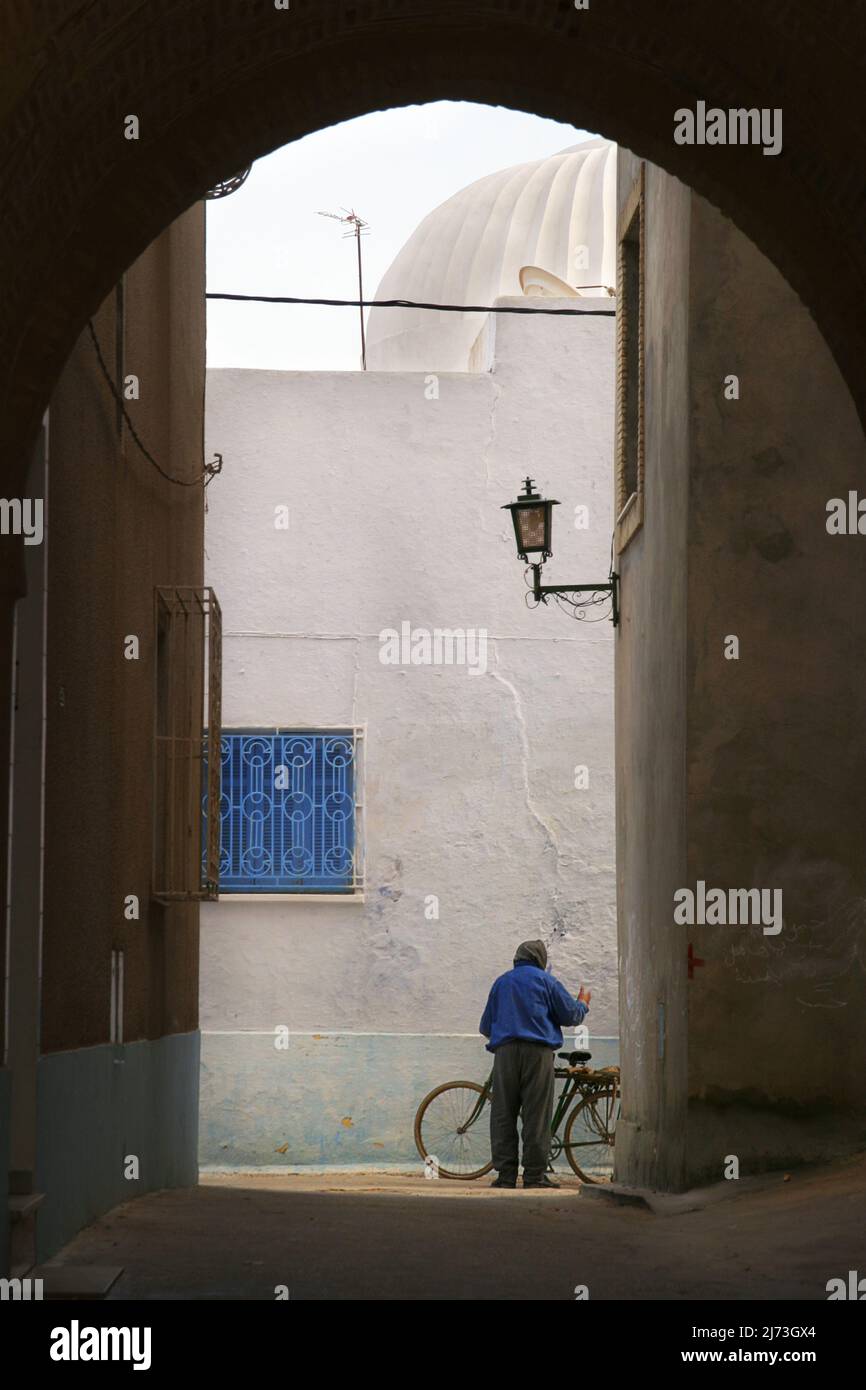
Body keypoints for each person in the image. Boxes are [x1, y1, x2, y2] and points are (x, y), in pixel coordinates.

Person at [479, 939, 591, 1188]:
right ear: (540, 959)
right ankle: (534, 1176)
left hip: (505, 1054)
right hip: (538, 1054)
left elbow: (485, 1026)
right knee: (536, 1116)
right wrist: (583, 1002)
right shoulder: (547, 982)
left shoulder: (501, 982)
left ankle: (505, 1176)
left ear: (517, 958)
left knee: (503, 1114)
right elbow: (570, 1015)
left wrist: (507, 1036)